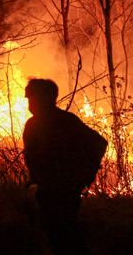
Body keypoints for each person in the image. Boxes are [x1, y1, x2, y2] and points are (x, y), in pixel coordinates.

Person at [23, 78, 108, 255]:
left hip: (60, 190)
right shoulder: (57, 121)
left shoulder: (53, 122)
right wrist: (85, 175)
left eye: (31, 98)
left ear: (43, 98)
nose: (29, 103)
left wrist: (85, 175)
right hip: (53, 189)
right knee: (61, 234)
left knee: (63, 235)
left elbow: (98, 143)